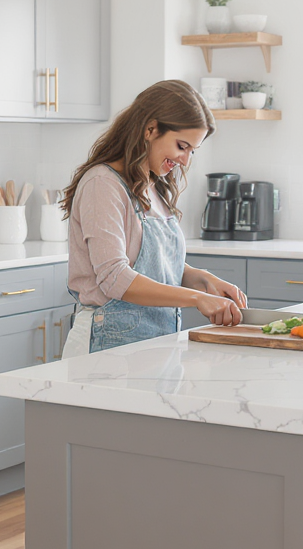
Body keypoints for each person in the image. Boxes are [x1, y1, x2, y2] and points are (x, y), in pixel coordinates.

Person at [61, 79, 247, 357]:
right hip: (105, 344)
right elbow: (115, 278)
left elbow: (153, 264)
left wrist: (203, 279)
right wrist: (197, 298)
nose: (185, 160)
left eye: (192, 151)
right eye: (182, 146)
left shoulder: (151, 184)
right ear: (150, 129)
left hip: (155, 345)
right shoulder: (102, 184)